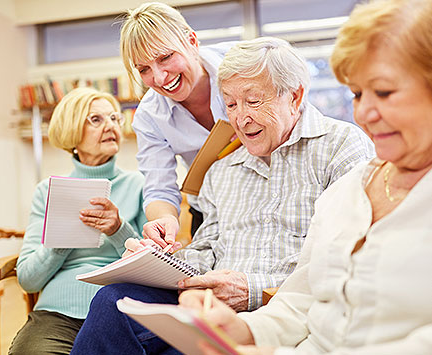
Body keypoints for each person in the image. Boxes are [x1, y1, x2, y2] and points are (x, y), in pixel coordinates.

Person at [70, 37, 374, 355]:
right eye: (230, 104)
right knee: (113, 300)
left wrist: (252, 290)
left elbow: (345, 261)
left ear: (294, 96)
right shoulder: (222, 170)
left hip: (282, 308)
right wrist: (158, 259)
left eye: (253, 101)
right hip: (211, 304)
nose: (240, 119)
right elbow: (205, 250)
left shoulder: (341, 145)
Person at [179, 0, 432, 354]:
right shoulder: (348, 191)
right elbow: (302, 297)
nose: (365, 113)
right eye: (357, 94)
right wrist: (241, 329)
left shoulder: (338, 152)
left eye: (385, 92)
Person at [9, 87, 147, 355]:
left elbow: (151, 269)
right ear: (72, 130)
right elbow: (28, 279)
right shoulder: (47, 191)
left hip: (119, 310)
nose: (110, 125)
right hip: (57, 313)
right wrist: (63, 238)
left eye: (114, 118)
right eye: (96, 119)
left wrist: (119, 231)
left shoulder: (138, 185)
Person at [120, 2, 234, 245]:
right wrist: (165, 221)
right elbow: (159, 189)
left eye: (166, 57)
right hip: (212, 215)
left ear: (192, 41)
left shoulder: (240, 65)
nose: (159, 78)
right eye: (144, 69)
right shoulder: (150, 116)